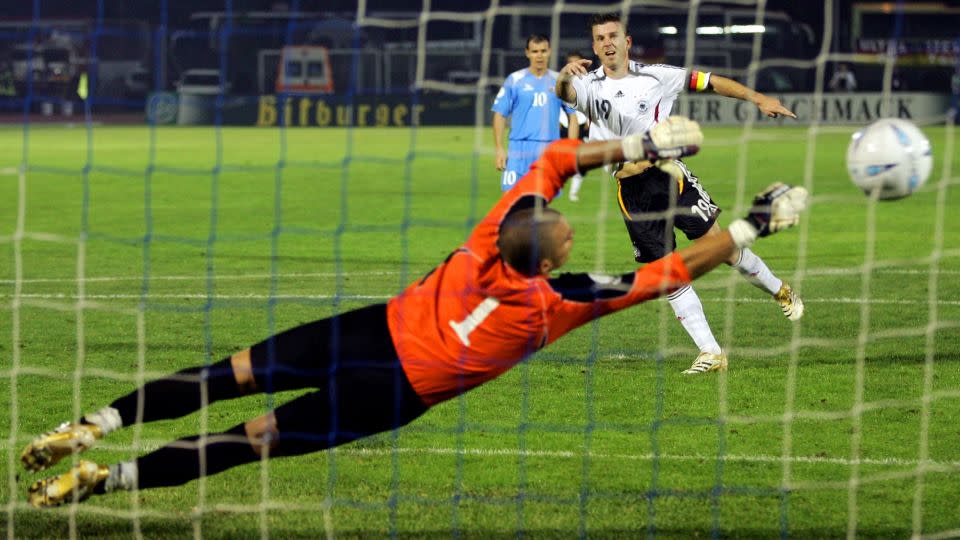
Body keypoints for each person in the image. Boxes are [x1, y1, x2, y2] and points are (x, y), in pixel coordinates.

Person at [21, 118, 808, 508]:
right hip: (397, 389)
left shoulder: (485, 239)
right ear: (552, 254)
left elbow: (559, 160)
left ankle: (95, 424)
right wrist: (752, 224)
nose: (572, 227)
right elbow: (672, 267)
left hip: (368, 330)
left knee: (228, 375)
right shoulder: (557, 305)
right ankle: (104, 478)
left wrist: (638, 139)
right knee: (250, 438)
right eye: (568, 231)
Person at [556, 12, 804, 375]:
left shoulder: (658, 76)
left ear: (626, 42)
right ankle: (711, 352)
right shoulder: (589, 84)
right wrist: (564, 74)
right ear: (594, 46)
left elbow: (711, 82)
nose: (607, 43)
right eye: (600, 38)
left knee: (724, 250)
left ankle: (779, 289)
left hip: (669, 176)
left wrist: (758, 98)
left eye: (613, 36)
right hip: (631, 190)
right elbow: (564, 93)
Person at [493, 34, 580, 191]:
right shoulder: (514, 79)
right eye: (534, 51)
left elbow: (572, 117)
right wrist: (499, 148)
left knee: (541, 204)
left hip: (548, 151)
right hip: (518, 150)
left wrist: (570, 149)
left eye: (543, 51)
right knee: (512, 202)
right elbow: (500, 114)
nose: (539, 55)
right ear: (527, 53)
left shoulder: (560, 81)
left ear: (549, 52)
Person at [560, 51, 592, 202]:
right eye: (570, 62)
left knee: (580, 162)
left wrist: (589, 121)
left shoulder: (589, 82)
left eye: (576, 62)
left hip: (581, 126)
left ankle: (573, 193)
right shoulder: (561, 81)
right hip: (563, 126)